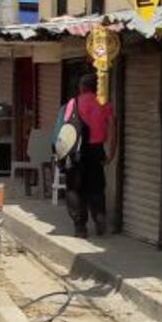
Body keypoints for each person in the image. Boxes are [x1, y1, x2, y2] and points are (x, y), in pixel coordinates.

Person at [62, 73, 117, 238]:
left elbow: (66, 128)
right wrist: (111, 153)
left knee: (74, 188)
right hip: (96, 150)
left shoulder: (73, 103)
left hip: (76, 151)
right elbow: (113, 129)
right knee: (96, 186)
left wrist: (62, 154)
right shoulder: (105, 103)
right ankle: (99, 215)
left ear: (82, 87)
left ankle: (80, 226)